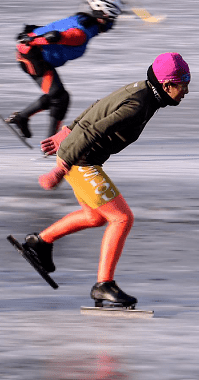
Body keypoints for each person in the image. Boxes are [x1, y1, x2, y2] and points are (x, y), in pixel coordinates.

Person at [13, 53, 189, 308]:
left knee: (95, 217)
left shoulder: (142, 90)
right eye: (183, 86)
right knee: (122, 218)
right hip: (81, 161)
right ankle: (103, 284)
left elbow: (100, 105)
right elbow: (96, 129)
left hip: (80, 156)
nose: (185, 92)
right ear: (167, 85)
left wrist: (68, 130)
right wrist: (61, 168)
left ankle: (39, 243)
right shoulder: (139, 104)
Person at [4, 0, 122, 141]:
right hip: (33, 57)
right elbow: (54, 36)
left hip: (35, 55)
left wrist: (31, 35)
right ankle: (51, 143)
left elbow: (54, 30)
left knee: (56, 95)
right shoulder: (82, 32)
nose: (113, 25)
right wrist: (30, 40)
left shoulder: (83, 20)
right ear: (104, 17)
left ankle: (21, 118)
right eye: (112, 20)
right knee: (60, 98)